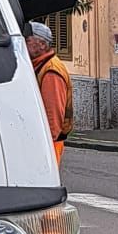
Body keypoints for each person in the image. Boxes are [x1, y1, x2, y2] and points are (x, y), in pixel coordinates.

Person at [28, 21, 73, 164]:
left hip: (50, 144)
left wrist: (44, 146)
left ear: (42, 44)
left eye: (28, 40)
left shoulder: (51, 71)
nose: (23, 44)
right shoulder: (42, 65)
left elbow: (53, 116)